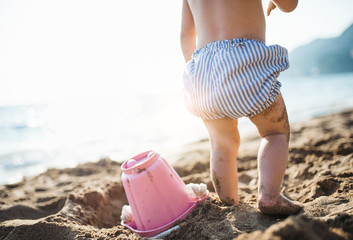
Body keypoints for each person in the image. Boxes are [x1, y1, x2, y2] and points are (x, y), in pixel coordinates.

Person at [180, 0, 303, 215]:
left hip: (204, 69)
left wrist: (197, 69)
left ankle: (229, 202)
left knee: (221, 145)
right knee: (274, 132)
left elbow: (185, 36)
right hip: (245, 58)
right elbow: (289, 5)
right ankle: (269, 198)